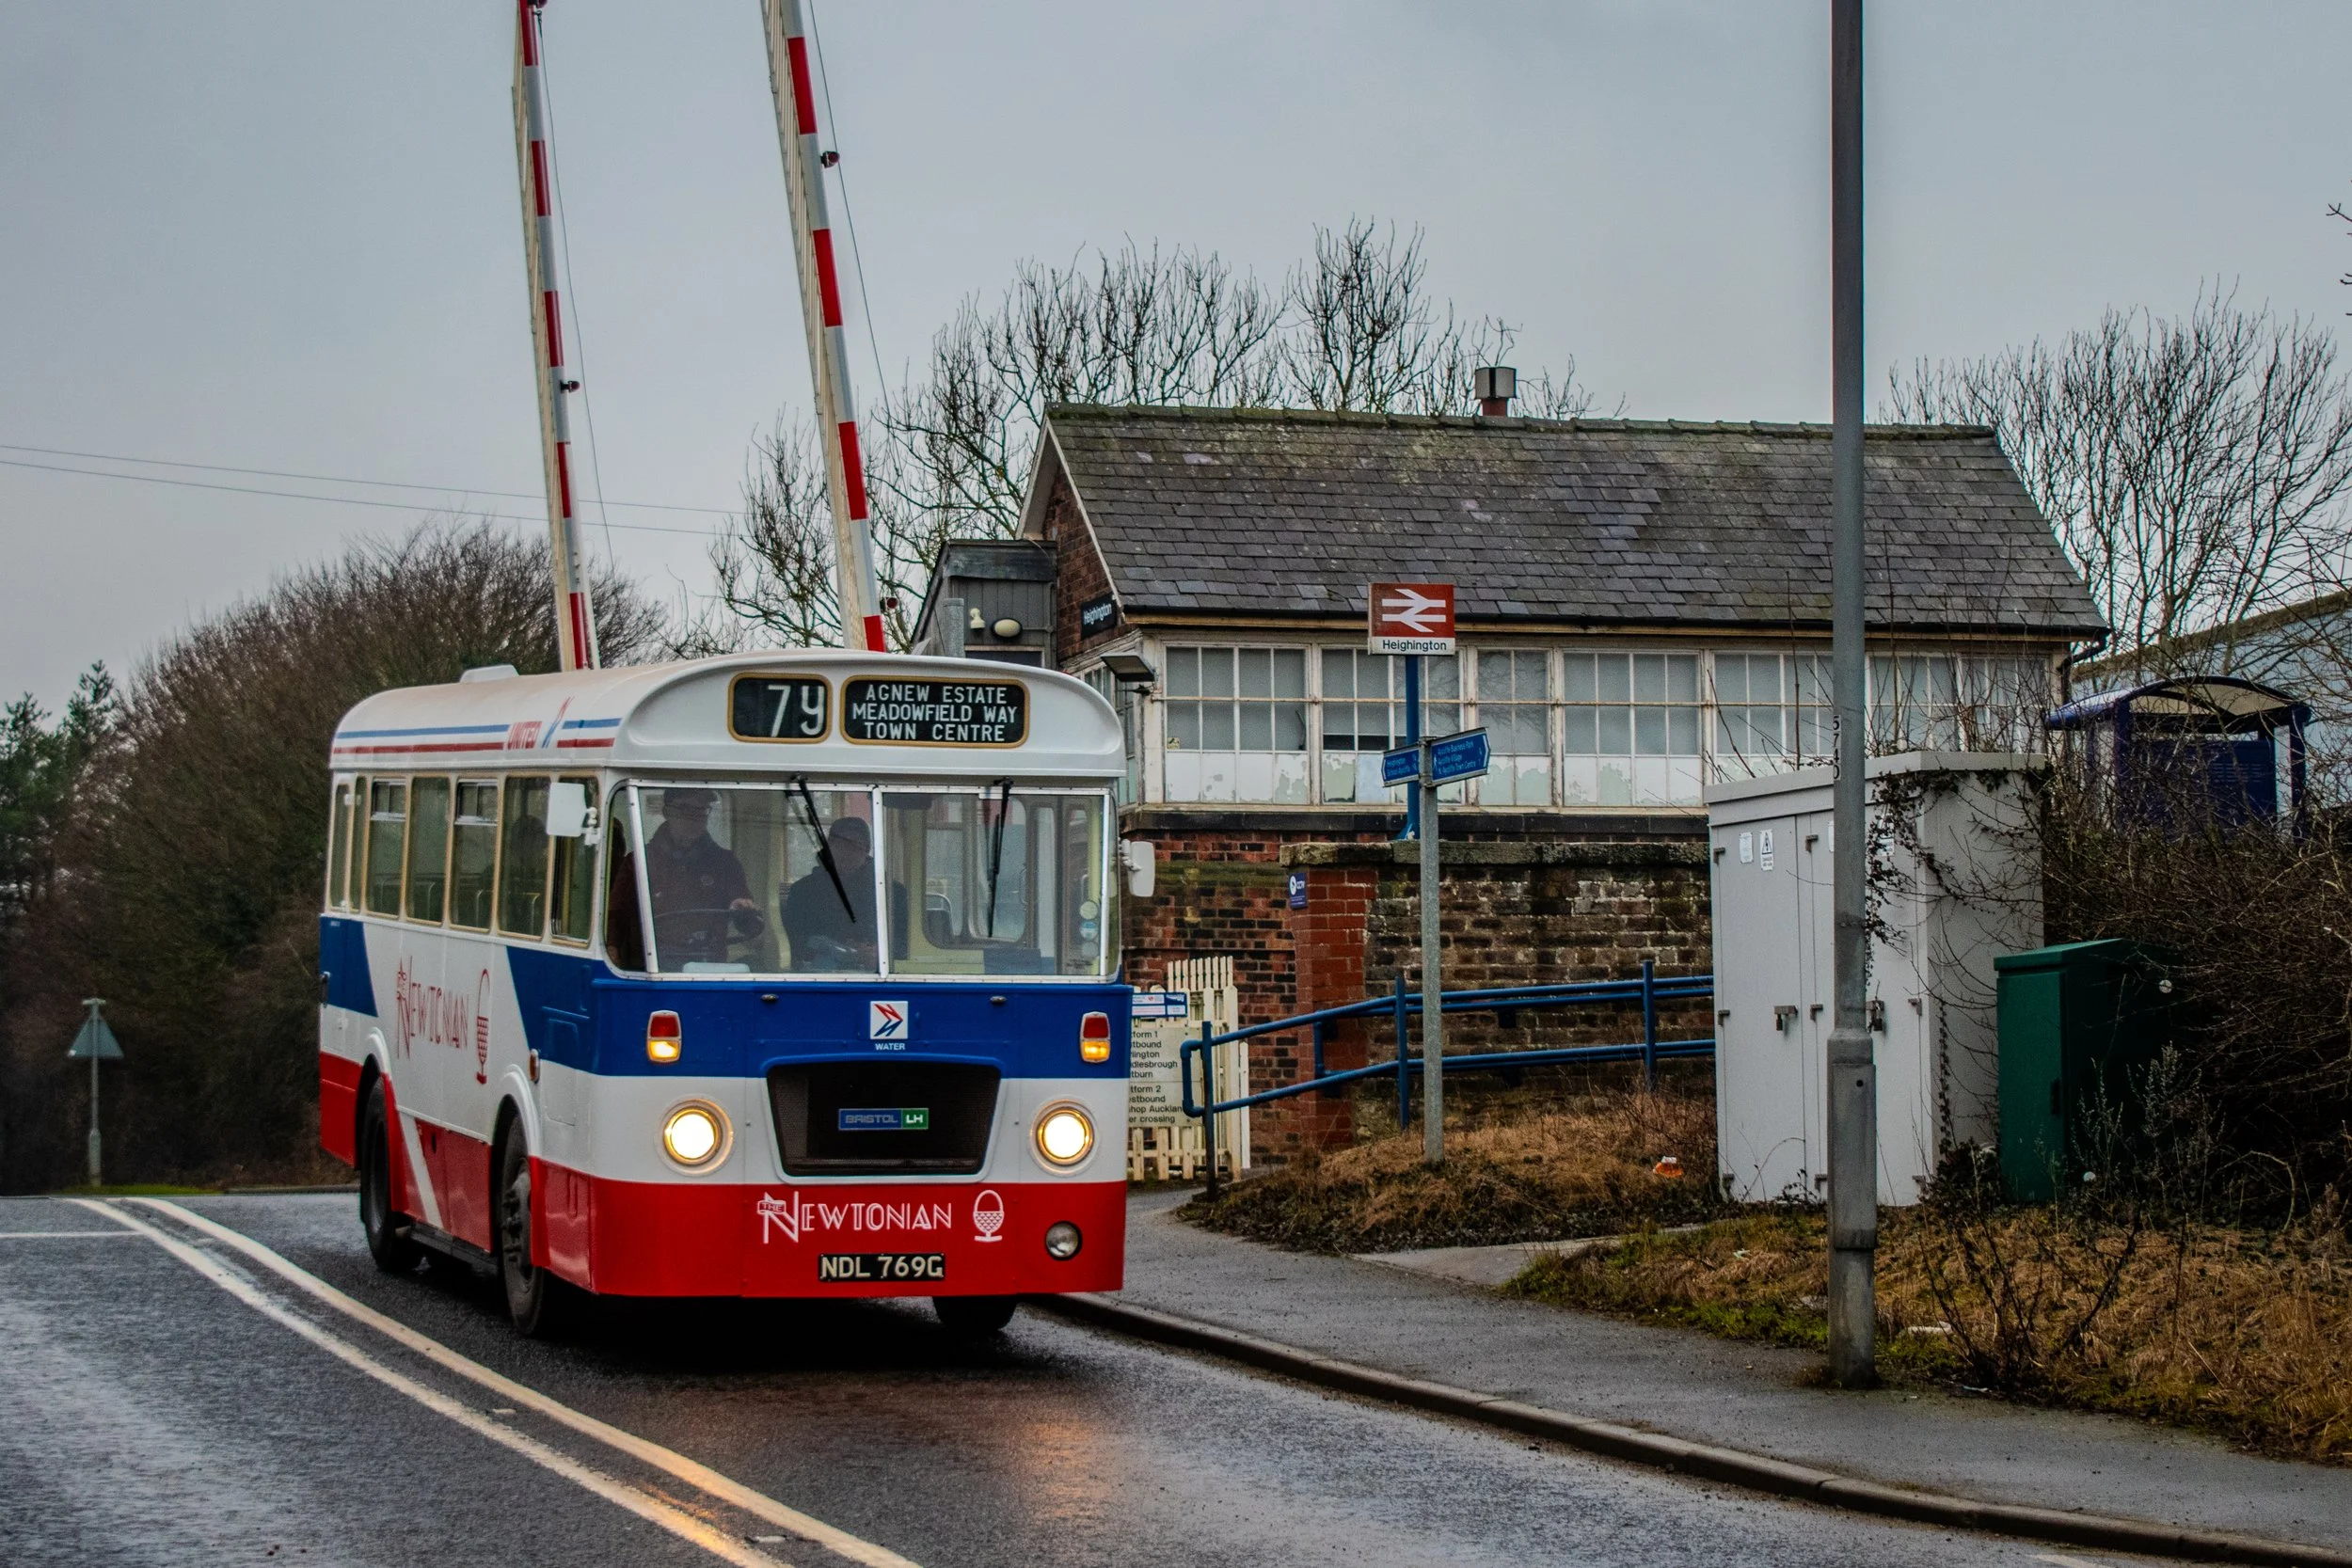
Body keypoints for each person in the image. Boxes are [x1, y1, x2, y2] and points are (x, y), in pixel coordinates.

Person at [606, 788, 761, 969]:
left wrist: (743, 911)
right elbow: (615, 918)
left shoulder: (725, 863)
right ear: (666, 812)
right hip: (649, 973)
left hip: (709, 971)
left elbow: (751, 925)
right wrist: (612, 950)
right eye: (685, 808)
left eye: (701, 810)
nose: (694, 817)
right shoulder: (639, 862)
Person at [780, 816, 902, 971]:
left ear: (867, 849)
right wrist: (836, 948)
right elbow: (793, 940)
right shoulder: (803, 891)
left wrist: (879, 954)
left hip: (880, 974)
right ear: (829, 848)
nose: (846, 852)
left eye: (854, 846)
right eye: (839, 845)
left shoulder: (892, 893)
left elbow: (905, 944)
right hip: (818, 975)